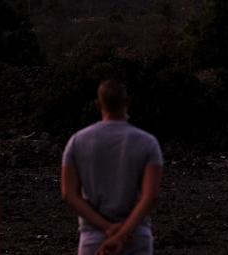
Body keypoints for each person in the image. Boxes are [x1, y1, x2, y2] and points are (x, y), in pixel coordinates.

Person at [61, 79, 163, 255]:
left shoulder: (77, 142)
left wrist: (108, 228)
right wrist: (122, 234)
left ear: (98, 104)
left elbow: (69, 194)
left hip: (94, 238)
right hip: (135, 238)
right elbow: (150, 197)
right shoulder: (148, 143)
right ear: (127, 102)